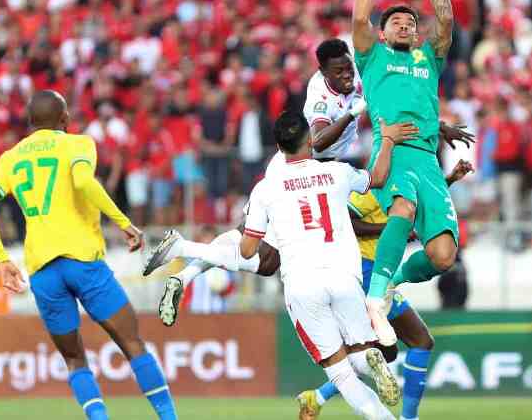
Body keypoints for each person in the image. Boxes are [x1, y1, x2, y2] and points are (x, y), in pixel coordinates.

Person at [153, 39, 474, 328]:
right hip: (302, 170)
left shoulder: (357, 80)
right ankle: (182, 249)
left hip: (311, 173)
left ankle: (183, 273)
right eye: (339, 72)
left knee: (250, 246)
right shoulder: (319, 95)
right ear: (324, 73)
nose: (348, 76)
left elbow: (390, 102)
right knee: (264, 260)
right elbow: (318, 140)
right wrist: (352, 113)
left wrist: (440, 128)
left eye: (349, 68)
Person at [145, 111, 420, 420]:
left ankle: (184, 248)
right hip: (344, 276)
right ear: (310, 141)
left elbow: (248, 251)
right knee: (359, 352)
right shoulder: (337, 172)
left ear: (277, 145)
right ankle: (369, 357)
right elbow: (378, 177)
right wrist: (389, 141)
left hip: (302, 285)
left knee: (341, 374)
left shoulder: (267, 187)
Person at [0, 90, 177, 420]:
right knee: (132, 343)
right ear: (65, 119)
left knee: (74, 359)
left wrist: (1, 258)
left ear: (30, 123)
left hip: (42, 270)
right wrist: (124, 223)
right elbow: (83, 182)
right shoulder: (78, 144)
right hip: (83, 261)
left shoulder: (10, 157)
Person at [296, 159, 474, 420]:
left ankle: (318, 396)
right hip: (365, 273)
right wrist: (390, 228)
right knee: (420, 341)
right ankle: (408, 418)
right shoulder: (370, 190)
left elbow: (415, 202)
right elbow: (345, 220)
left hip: (374, 274)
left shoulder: (400, 184)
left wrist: (449, 179)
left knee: (384, 351)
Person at [352, 0, 459, 344]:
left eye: (410, 23)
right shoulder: (372, 57)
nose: (404, 25)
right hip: (393, 148)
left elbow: (446, 22)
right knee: (403, 207)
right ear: (382, 33)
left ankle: (391, 281)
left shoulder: (427, 60)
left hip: (428, 160)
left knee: (442, 256)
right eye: (395, 22)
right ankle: (375, 300)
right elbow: (360, 17)